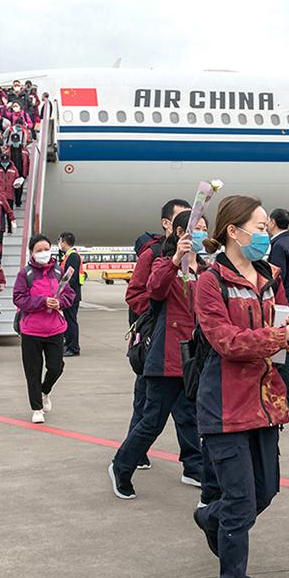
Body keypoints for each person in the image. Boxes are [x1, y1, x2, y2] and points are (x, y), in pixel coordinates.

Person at [190, 195, 289, 578]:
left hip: (266, 402)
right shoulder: (210, 282)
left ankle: (210, 516)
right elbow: (225, 341)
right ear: (234, 230)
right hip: (224, 406)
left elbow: (286, 333)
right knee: (243, 502)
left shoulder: (272, 276)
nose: (265, 234)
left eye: (266, 227)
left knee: (265, 492)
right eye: (259, 227)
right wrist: (284, 334)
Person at [109, 211, 209, 500]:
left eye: (205, 228)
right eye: (197, 229)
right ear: (179, 232)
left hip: (194, 357)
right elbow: (153, 291)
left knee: (193, 418)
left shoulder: (203, 268)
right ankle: (122, 465)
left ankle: (196, 468)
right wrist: (177, 258)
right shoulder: (164, 262)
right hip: (165, 357)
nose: (202, 233)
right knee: (152, 420)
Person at [124, 198, 192, 469]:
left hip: (186, 347)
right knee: (147, 406)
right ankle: (133, 453)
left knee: (188, 412)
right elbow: (135, 294)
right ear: (168, 224)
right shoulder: (153, 254)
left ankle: (193, 462)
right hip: (156, 342)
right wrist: (159, 312)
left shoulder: (196, 261)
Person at [13, 234, 75, 423]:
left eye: (46, 249)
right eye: (39, 250)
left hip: (55, 328)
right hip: (32, 330)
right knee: (33, 371)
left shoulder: (58, 271)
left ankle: (45, 391)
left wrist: (60, 302)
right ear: (31, 253)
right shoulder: (26, 274)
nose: (43, 253)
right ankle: (37, 408)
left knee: (56, 367)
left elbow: (70, 294)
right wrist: (42, 301)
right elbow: (19, 298)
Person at [267, 208, 289, 407]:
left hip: (281, 302)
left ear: (272, 222)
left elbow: (274, 277)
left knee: (282, 349)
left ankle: (287, 394)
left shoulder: (279, 245)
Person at [58, 232, 82, 356]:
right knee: (68, 320)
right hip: (69, 295)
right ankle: (68, 344)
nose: (59, 244)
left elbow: (70, 277)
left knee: (71, 321)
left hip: (71, 295)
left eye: (60, 241)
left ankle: (73, 347)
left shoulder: (72, 256)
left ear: (64, 242)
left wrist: (61, 289)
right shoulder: (68, 255)